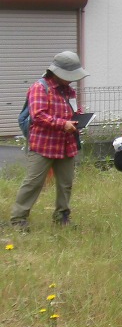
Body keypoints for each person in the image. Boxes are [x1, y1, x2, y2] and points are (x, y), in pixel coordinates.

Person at [10, 51, 89, 230]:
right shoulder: (39, 87)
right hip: (43, 145)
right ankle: (18, 219)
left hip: (66, 145)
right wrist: (63, 124)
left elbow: (73, 110)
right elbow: (38, 115)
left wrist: (79, 118)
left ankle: (62, 217)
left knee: (65, 183)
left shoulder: (69, 91)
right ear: (57, 72)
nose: (72, 80)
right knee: (33, 182)